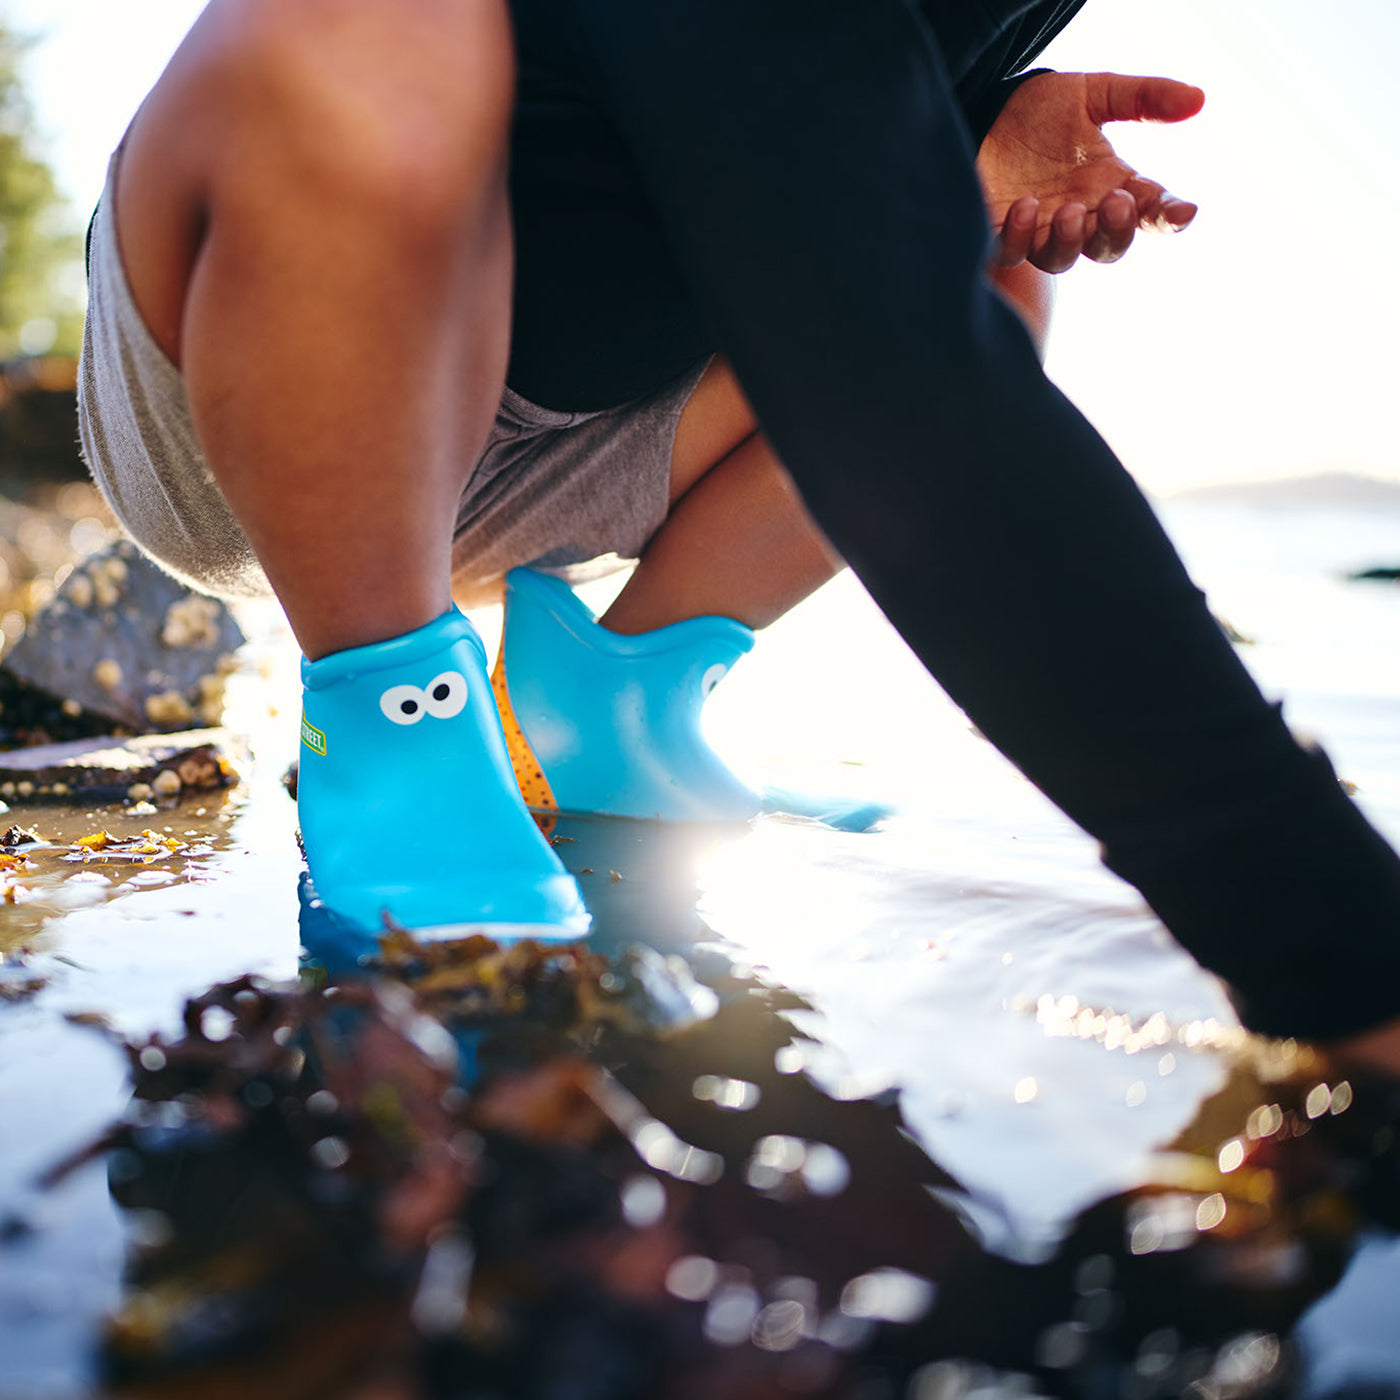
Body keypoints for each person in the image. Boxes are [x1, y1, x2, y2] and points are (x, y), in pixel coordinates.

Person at [78, 0, 1400, 1063]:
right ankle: (389, 718)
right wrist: (1332, 950)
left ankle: (609, 707)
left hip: (575, 446)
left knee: (985, 257)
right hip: (262, 368)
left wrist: (968, 125)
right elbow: (896, 389)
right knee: (373, 23)